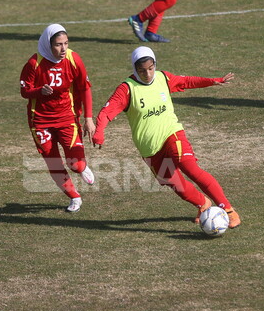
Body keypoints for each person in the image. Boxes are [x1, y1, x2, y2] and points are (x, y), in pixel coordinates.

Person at [92, 46, 241, 228]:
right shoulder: (127, 89)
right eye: (142, 70)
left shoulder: (163, 78)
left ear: (155, 64)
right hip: (149, 148)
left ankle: (228, 210)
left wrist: (212, 81)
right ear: (134, 69)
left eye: (150, 68)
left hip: (172, 134)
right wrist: (99, 132)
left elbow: (186, 81)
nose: (147, 74)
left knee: (190, 168)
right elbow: (108, 111)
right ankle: (203, 203)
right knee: (173, 183)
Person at [20, 24, 95, 212]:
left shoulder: (73, 59)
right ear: (48, 44)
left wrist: (88, 118)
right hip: (40, 122)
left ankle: (81, 167)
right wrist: (39, 91)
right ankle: (74, 197)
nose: (63, 49)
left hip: (66, 117)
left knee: (76, 164)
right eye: (58, 45)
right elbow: (24, 91)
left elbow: (85, 88)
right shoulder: (34, 64)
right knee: (53, 162)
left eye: (66, 43)